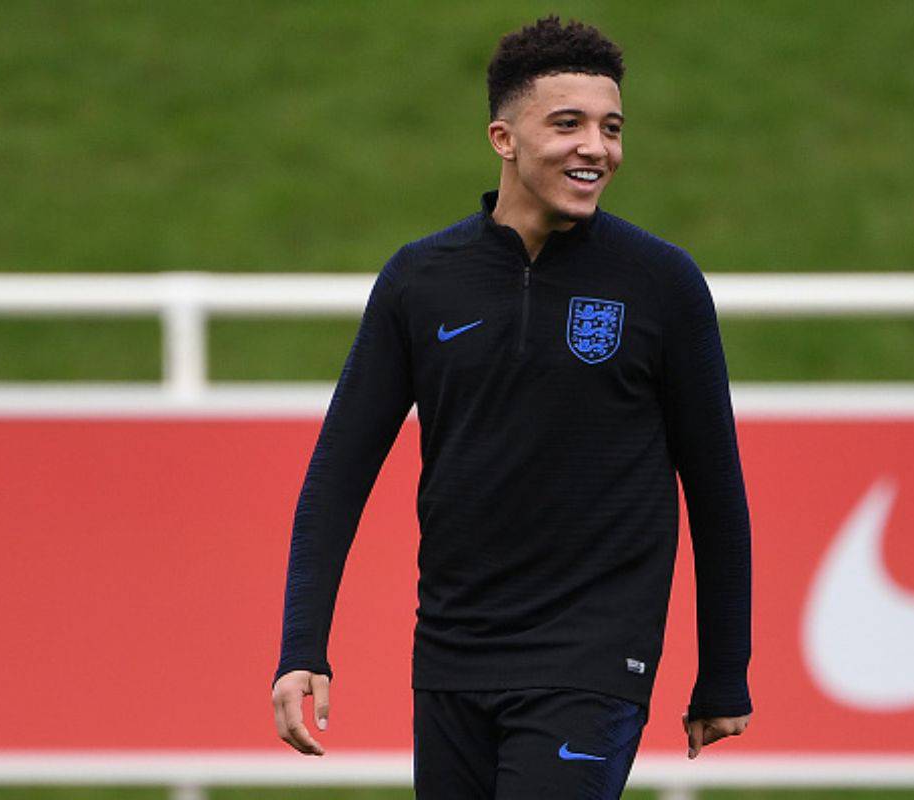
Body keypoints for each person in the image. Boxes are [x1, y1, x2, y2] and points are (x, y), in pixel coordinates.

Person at [271, 15, 753, 799]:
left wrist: (724, 669)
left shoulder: (662, 283)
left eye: (611, 127)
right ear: (504, 138)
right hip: (452, 652)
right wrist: (302, 647)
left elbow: (716, 488)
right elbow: (338, 475)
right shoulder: (420, 280)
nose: (596, 147)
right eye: (568, 124)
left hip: (594, 656)